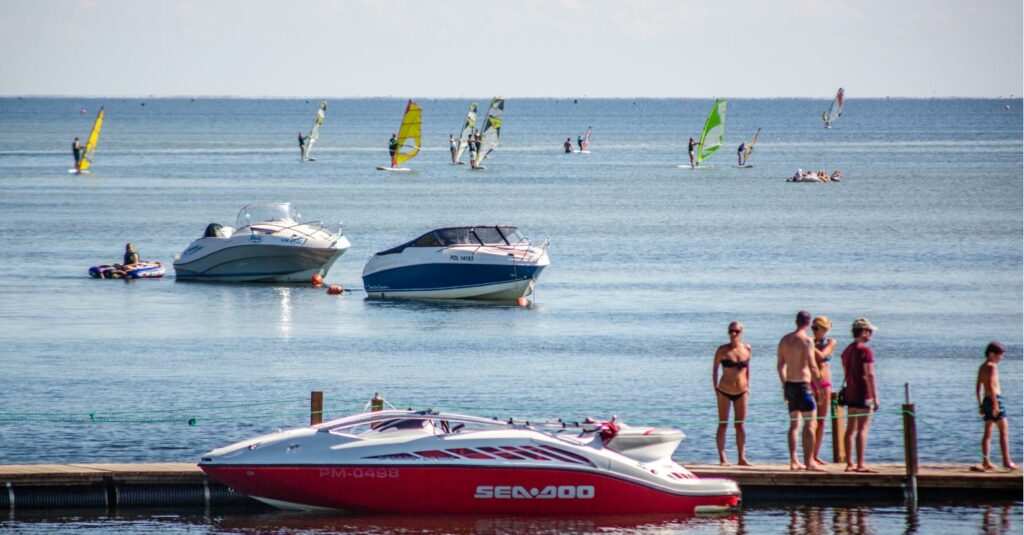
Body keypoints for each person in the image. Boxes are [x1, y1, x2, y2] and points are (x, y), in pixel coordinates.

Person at [777, 310, 823, 471]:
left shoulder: (784, 340)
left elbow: (780, 366)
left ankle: (794, 461)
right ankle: (809, 462)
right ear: (808, 323)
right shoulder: (807, 341)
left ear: (796, 321)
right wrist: (820, 387)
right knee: (810, 424)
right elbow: (812, 365)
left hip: (790, 385)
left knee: (794, 424)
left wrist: (784, 385)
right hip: (803, 386)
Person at [840, 317, 880, 473]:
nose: (871, 334)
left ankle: (849, 463)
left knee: (850, 429)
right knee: (863, 429)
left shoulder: (847, 350)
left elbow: (846, 372)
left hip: (850, 393)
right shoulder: (865, 351)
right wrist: (875, 398)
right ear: (863, 332)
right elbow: (870, 374)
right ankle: (860, 463)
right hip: (864, 393)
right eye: (869, 331)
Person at [712, 321, 752, 466]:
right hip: (724, 391)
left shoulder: (747, 348)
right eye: (730, 331)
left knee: (740, 425)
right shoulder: (722, 350)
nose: (733, 334)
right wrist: (715, 387)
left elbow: (748, 368)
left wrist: (748, 386)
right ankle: (723, 458)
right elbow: (715, 369)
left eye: (736, 331)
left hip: (742, 391)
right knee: (723, 424)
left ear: (741, 332)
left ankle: (742, 458)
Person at [974, 341, 1017, 471]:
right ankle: (1007, 461)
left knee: (988, 433)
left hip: (986, 401)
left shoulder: (982, 367)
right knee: (1004, 432)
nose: (1001, 358)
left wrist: (981, 405)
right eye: (1000, 355)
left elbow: (978, 388)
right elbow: (992, 387)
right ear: (991, 354)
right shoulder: (992, 367)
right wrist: (996, 405)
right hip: (995, 400)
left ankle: (986, 461)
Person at [810, 316, 837, 466]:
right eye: (812, 328)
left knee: (821, 420)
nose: (813, 331)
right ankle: (809, 456)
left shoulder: (831, 342)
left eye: (816, 328)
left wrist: (808, 345)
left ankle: (816, 454)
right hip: (810, 383)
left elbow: (821, 357)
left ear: (825, 329)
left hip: (824, 382)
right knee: (810, 421)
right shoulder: (809, 342)